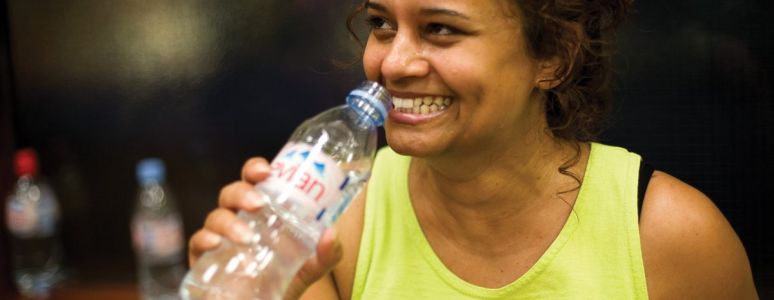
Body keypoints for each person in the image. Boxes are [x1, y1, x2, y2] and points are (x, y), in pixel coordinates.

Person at [188, 0, 759, 298]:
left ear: (552, 57)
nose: (392, 63)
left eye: (441, 29)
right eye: (383, 24)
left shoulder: (669, 236)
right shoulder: (337, 219)